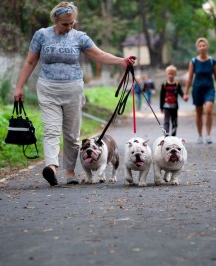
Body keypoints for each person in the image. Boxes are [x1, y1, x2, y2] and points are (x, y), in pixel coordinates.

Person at [14, 1, 135, 186]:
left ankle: (70, 172)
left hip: (73, 89)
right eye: (65, 24)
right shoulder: (41, 35)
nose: (69, 27)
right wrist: (19, 87)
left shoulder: (79, 37)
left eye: (72, 23)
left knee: (71, 134)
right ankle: (52, 167)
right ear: (56, 20)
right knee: (51, 130)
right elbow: (30, 62)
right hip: (48, 88)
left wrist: (121, 61)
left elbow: (98, 55)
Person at [183, 37, 216, 144]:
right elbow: (190, 78)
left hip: (209, 89)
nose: (202, 47)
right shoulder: (193, 61)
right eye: (200, 46)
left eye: (204, 45)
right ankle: (200, 136)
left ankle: (208, 135)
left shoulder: (212, 61)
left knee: (208, 110)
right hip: (197, 89)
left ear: (207, 47)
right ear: (197, 48)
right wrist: (186, 93)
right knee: (198, 113)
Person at [159, 65, 184, 136]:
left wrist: (184, 97)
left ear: (175, 74)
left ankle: (173, 136)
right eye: (169, 74)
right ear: (166, 74)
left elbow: (181, 93)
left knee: (174, 122)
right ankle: (166, 135)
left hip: (174, 107)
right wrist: (161, 107)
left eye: (172, 74)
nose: (170, 75)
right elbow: (161, 96)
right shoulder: (164, 84)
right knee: (166, 121)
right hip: (166, 107)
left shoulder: (177, 84)